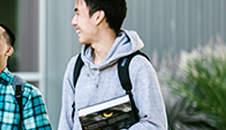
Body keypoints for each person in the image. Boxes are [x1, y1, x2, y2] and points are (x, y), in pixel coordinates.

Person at [58, 0, 168, 129]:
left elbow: (156, 125)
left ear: (98, 17)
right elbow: (66, 125)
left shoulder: (137, 66)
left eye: (78, 13)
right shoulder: (75, 67)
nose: (73, 22)